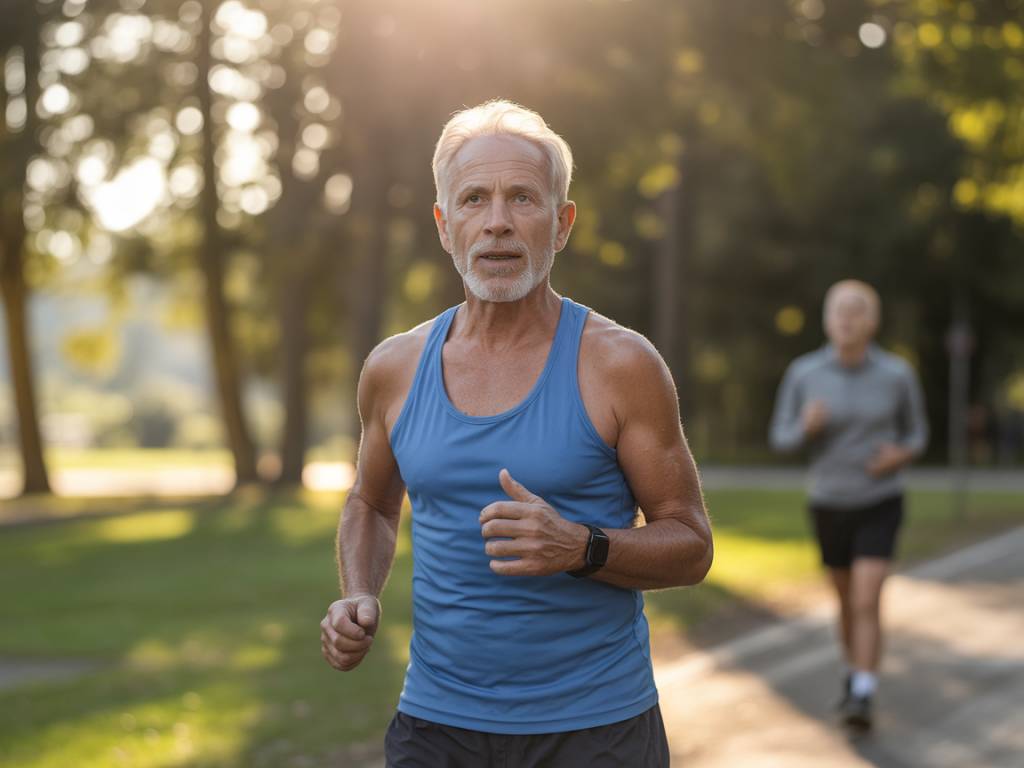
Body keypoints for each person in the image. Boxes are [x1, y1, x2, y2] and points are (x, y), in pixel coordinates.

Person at [320, 100, 713, 767]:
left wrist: (581, 547)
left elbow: (691, 545)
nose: (497, 222)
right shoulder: (393, 368)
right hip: (435, 727)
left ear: (561, 225)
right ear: (445, 226)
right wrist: (359, 592)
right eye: (474, 199)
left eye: (522, 198)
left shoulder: (621, 365)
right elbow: (371, 502)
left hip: (596, 729)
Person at [769, 279, 929, 731]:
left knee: (866, 596)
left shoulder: (897, 374)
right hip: (829, 503)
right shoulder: (804, 373)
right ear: (826, 319)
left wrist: (901, 455)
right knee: (845, 600)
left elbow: (918, 433)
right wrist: (806, 428)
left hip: (880, 499)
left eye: (857, 310)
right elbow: (780, 438)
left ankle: (863, 691)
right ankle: (853, 670)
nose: (847, 318)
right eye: (839, 309)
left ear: (872, 321)